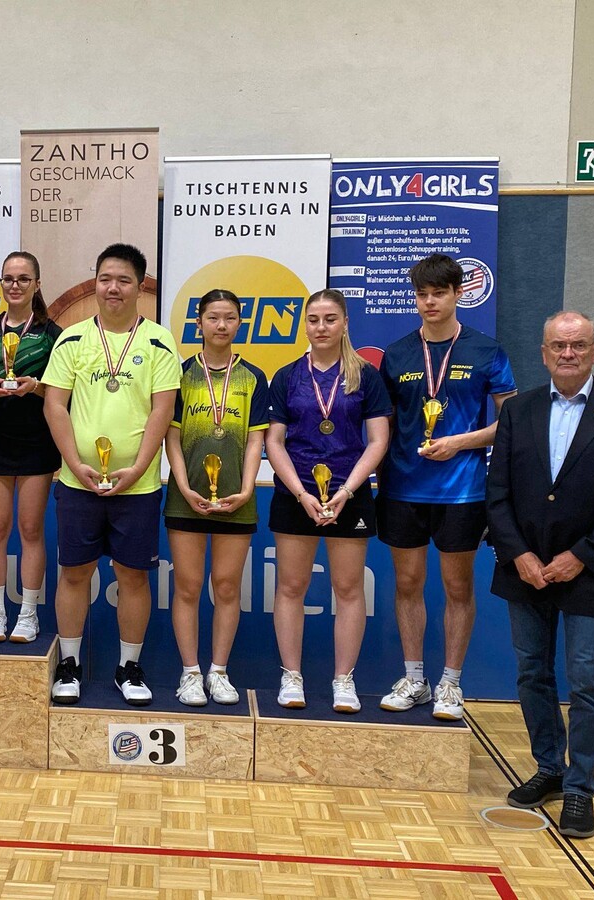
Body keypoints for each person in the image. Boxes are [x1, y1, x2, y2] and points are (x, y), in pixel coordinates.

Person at [487, 311, 594, 839]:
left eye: (578, 345)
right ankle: (549, 768)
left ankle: (580, 789)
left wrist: (581, 555)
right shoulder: (519, 411)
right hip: (526, 570)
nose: (568, 353)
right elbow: (497, 492)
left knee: (587, 682)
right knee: (532, 673)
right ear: (543, 353)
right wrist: (518, 554)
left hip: (592, 570)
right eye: (558, 345)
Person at [377, 253, 516, 719]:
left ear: (458, 294)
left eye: (439, 293)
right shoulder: (397, 353)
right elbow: (384, 426)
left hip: (463, 490)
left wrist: (460, 442)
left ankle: (451, 683)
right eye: (422, 294)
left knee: (457, 586)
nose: (430, 302)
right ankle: (415, 678)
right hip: (402, 488)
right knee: (407, 582)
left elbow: (511, 421)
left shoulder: (487, 351)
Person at [42, 243, 181, 706]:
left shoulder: (159, 341)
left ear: (140, 287)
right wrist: (73, 463)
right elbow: (54, 406)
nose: (113, 288)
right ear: (95, 283)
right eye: (105, 279)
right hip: (76, 482)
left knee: (133, 577)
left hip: (137, 486)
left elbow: (163, 411)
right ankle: (69, 664)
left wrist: (139, 467)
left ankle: (129, 668)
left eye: (123, 280)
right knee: (74, 573)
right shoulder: (71, 339)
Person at [265, 290, 391, 713]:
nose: (321, 327)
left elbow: (378, 440)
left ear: (345, 323)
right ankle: (291, 676)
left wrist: (347, 491)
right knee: (291, 586)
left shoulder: (366, 376)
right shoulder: (287, 376)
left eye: (330, 319)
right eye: (314, 319)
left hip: (349, 494)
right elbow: (274, 441)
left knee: (349, 588)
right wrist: (301, 493)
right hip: (295, 494)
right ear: (305, 324)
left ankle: (343, 680)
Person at [163, 290, 267, 706]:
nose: (221, 325)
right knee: (188, 586)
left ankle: (219, 672)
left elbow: (256, 440)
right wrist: (183, 485)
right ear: (199, 324)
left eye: (229, 318)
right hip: (185, 497)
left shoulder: (254, 377)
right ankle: (190, 672)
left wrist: (247, 489)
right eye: (213, 318)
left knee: (226, 587)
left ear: (239, 323)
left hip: (237, 499)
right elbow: (171, 436)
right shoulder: (182, 374)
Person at [0, 251, 61, 643]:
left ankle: (28, 614)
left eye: (23, 279)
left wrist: (35, 387)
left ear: (37, 284)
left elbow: (61, 391)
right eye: (8, 278)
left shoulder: (53, 333)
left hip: (37, 437)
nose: (15, 285)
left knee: (31, 528)